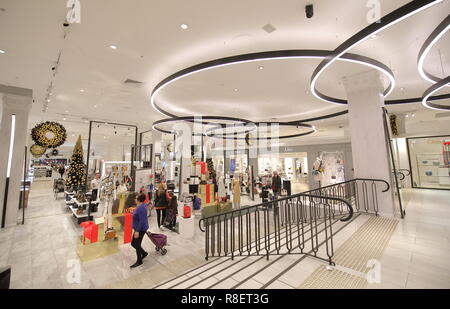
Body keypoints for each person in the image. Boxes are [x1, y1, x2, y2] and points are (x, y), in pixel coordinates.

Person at [130, 193, 149, 268]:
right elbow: (139, 216)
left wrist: (137, 231)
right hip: (138, 228)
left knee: (136, 244)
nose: (135, 199)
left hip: (140, 229)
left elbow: (142, 221)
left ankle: (139, 261)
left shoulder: (141, 208)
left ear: (138, 200)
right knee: (133, 244)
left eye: (136, 198)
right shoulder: (141, 206)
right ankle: (144, 253)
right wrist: (133, 213)